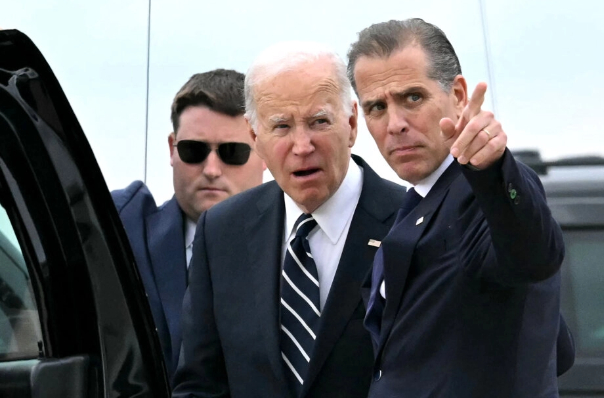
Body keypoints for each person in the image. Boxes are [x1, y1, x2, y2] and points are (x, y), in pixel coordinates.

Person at [347, 18, 569, 396]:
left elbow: (533, 256)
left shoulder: (483, 189)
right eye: (376, 108)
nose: (395, 124)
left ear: (460, 95)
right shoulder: (416, 202)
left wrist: (493, 169)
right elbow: (558, 347)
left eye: (412, 98)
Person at [171, 42, 406, 398]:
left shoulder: (411, 223)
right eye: (281, 126)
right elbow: (200, 384)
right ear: (255, 137)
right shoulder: (222, 231)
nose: (301, 145)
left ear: (352, 123)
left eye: (319, 122)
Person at [111, 69, 265, 380]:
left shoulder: (298, 248)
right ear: (172, 148)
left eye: (232, 152)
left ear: (265, 151)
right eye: (194, 150)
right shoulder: (122, 232)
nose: (211, 169)